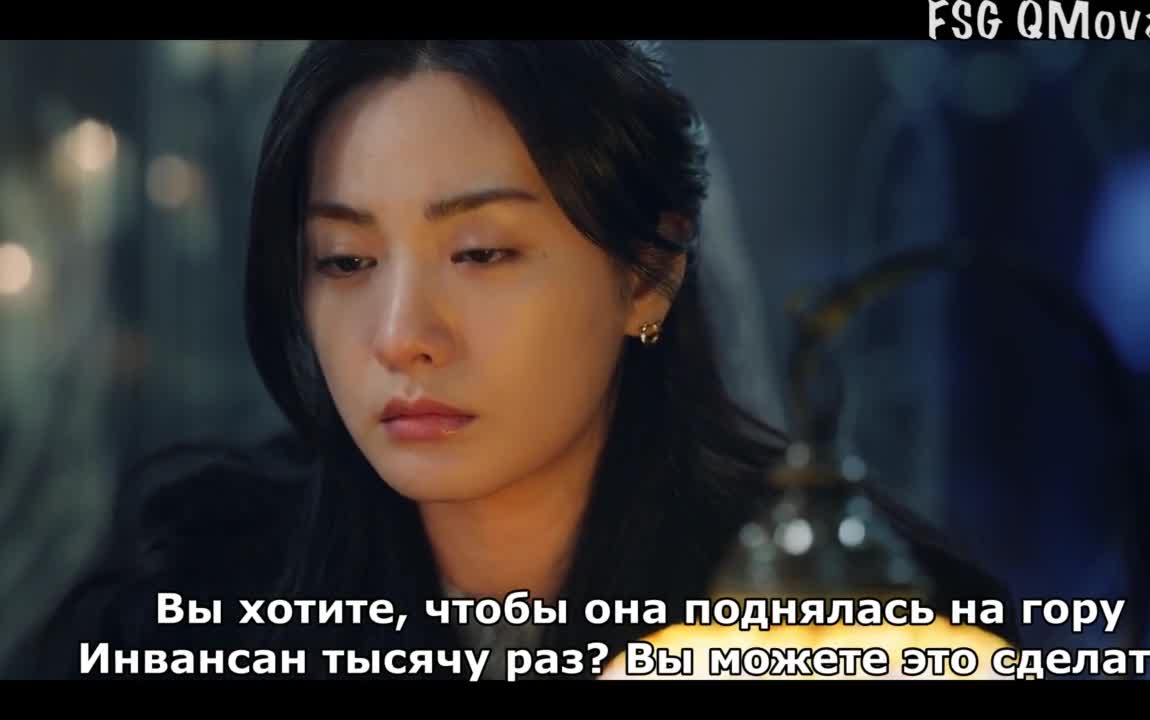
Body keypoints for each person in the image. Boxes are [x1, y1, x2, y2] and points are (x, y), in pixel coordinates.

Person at [22, 40, 1016, 681]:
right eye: (346, 261)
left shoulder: (840, 614)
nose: (401, 334)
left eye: (481, 253)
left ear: (648, 273)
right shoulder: (194, 593)